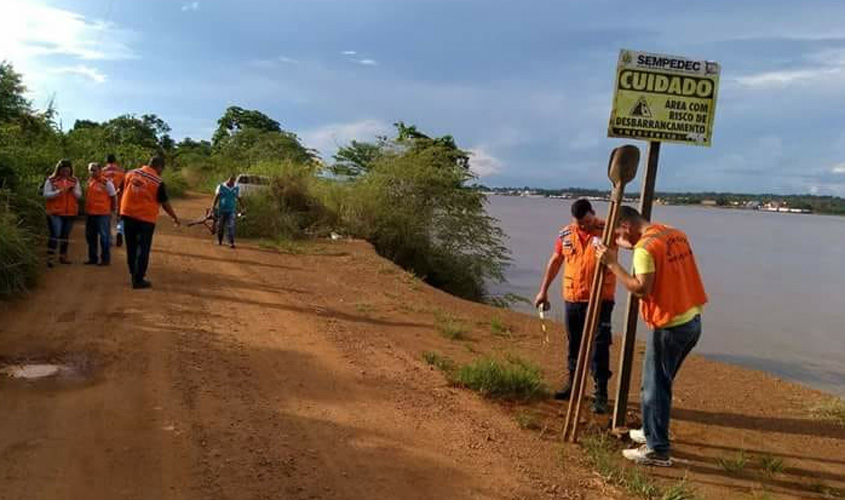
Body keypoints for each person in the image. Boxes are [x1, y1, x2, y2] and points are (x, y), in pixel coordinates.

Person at [597, 206, 708, 467]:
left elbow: (641, 289)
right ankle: (650, 430)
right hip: (692, 319)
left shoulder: (644, 249)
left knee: (655, 388)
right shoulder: (673, 233)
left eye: (618, 234)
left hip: (670, 326)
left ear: (625, 226)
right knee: (658, 384)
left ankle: (657, 449)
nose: (618, 241)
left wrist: (613, 263)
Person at [534, 199, 616, 414]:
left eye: (588, 222)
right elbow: (555, 261)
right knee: (574, 344)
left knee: (599, 347)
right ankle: (574, 386)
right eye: (580, 223)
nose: (584, 226)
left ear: (593, 214)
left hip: (600, 299)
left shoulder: (608, 230)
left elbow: (633, 241)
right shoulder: (566, 234)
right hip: (573, 298)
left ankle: (601, 393)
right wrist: (543, 290)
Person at [119, 155, 180, 289]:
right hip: (145, 219)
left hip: (127, 214)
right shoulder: (158, 182)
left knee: (131, 246)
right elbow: (164, 203)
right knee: (143, 248)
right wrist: (174, 216)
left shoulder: (130, 173)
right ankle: (138, 278)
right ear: (159, 167)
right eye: (162, 169)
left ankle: (133, 273)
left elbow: (120, 190)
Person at [42, 159, 81, 267]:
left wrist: (73, 191)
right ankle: (50, 257)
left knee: (65, 235)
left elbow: (79, 195)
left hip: (69, 212)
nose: (65, 173)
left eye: (67, 170)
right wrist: (58, 192)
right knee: (55, 234)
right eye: (63, 170)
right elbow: (46, 194)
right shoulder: (51, 180)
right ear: (59, 170)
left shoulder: (74, 180)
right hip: (55, 212)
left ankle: (63, 256)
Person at [84, 162, 117, 266]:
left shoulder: (106, 183)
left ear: (100, 170)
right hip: (90, 213)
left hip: (103, 214)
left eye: (94, 170)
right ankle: (93, 258)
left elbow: (113, 196)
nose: (92, 172)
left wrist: (113, 210)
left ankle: (105, 259)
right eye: (90, 170)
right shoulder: (89, 182)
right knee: (90, 236)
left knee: (104, 237)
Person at [102, 154, 126, 247]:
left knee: (108, 219)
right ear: (115, 161)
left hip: (106, 198)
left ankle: (110, 239)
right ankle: (120, 231)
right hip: (120, 196)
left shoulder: (102, 171)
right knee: (120, 218)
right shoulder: (121, 171)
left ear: (106, 160)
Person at [212, 175, 242, 248]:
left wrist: (243, 207)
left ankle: (231, 242)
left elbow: (239, 198)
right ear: (227, 180)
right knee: (220, 226)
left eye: (233, 181)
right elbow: (216, 197)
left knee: (231, 226)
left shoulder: (236, 188)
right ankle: (220, 241)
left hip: (231, 210)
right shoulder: (221, 187)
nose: (231, 182)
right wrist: (213, 207)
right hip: (221, 210)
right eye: (230, 181)